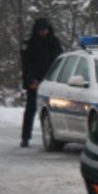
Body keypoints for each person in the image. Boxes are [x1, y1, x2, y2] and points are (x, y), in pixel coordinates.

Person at [19, 17, 63, 147]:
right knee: (31, 109)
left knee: (55, 108)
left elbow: (59, 60)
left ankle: (58, 135)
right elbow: (26, 65)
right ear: (36, 31)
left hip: (52, 80)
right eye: (42, 30)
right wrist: (31, 80)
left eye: (46, 30)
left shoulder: (54, 42)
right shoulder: (30, 43)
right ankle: (25, 137)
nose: (44, 32)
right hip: (35, 81)